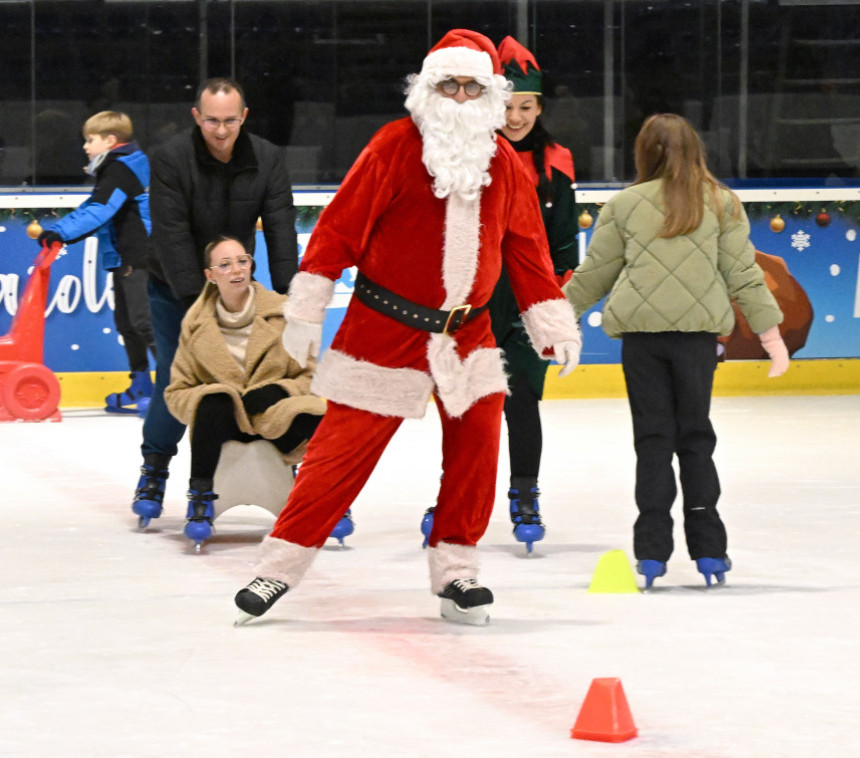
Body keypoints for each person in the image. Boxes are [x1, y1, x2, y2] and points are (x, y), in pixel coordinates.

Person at [232, 29, 582, 627]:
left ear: (491, 94)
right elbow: (340, 226)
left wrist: (552, 321)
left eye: (474, 86)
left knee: (476, 456)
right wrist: (307, 305)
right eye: (451, 84)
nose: (462, 96)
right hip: (384, 329)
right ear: (427, 89)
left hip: (468, 336)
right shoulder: (394, 146)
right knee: (338, 457)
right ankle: (279, 567)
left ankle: (457, 572)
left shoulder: (502, 163)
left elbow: (528, 251)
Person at [562, 113, 790, 590]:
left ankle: (651, 553)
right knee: (695, 440)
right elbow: (743, 274)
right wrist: (771, 336)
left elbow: (595, 275)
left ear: (643, 152)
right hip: (696, 342)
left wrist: (558, 319)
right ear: (695, 150)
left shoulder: (624, 204)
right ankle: (710, 551)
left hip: (642, 342)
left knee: (652, 442)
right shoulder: (723, 203)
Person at [130, 78, 298, 530]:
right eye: (211, 121)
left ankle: (284, 471)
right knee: (177, 375)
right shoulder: (169, 158)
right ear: (196, 117)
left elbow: (281, 227)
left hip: (236, 285)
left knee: (265, 374)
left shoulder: (267, 158)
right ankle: (155, 471)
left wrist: (286, 298)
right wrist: (197, 303)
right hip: (175, 288)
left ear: (243, 117)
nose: (220, 131)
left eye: (229, 121)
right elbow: (170, 230)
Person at [163, 236, 326, 546]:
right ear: (210, 276)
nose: (236, 270)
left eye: (242, 261)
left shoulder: (286, 313)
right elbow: (177, 391)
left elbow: (310, 378)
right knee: (213, 400)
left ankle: (324, 497)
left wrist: (279, 390)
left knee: (318, 415)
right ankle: (200, 496)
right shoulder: (195, 323)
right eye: (225, 265)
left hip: (274, 418)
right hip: (224, 422)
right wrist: (212, 398)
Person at [484, 36, 579, 552]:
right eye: (505, 106)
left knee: (521, 402)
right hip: (474, 301)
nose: (515, 117)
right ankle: (453, 493)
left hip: (526, 303)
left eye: (526, 107)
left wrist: (553, 302)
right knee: (469, 407)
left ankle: (524, 494)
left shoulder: (556, 162)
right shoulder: (470, 155)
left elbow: (564, 244)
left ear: (540, 107)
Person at [37, 110, 156, 414]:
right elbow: (94, 205)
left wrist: (60, 234)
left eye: (90, 140)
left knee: (145, 325)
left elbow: (100, 210)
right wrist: (59, 230)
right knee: (128, 324)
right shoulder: (117, 167)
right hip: (125, 258)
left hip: (139, 256)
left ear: (111, 140)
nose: (85, 146)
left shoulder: (122, 168)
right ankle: (142, 385)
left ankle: (180, 388)